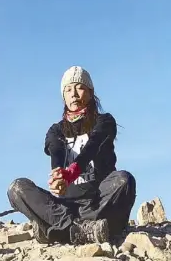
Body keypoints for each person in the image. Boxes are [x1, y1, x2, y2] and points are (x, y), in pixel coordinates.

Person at [8, 66, 136, 245]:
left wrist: (72, 173)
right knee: (17, 188)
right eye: (68, 89)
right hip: (64, 208)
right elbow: (56, 150)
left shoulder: (105, 121)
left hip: (98, 201)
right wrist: (58, 174)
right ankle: (78, 229)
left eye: (80, 87)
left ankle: (55, 231)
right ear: (63, 96)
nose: (74, 94)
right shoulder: (56, 130)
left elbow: (92, 146)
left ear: (91, 93)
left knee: (124, 181)